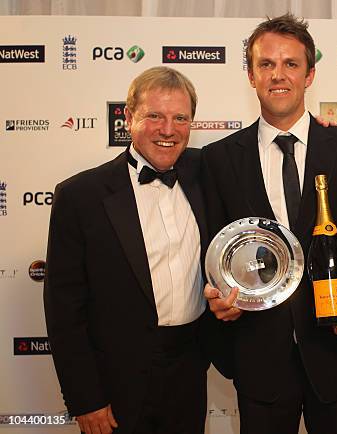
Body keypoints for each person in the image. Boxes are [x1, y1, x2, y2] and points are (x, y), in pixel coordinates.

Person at [202, 13, 337, 434]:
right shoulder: (218, 158)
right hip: (259, 359)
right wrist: (214, 295)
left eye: (290, 64)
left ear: (310, 73)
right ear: (250, 75)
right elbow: (210, 251)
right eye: (266, 64)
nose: (277, 75)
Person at [44, 66, 210, 434]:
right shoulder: (80, 196)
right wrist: (86, 399)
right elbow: (64, 310)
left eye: (180, 118)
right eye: (155, 116)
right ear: (128, 117)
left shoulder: (206, 171)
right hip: (116, 383)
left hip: (190, 371)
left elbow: (260, 153)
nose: (168, 130)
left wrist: (315, 129)